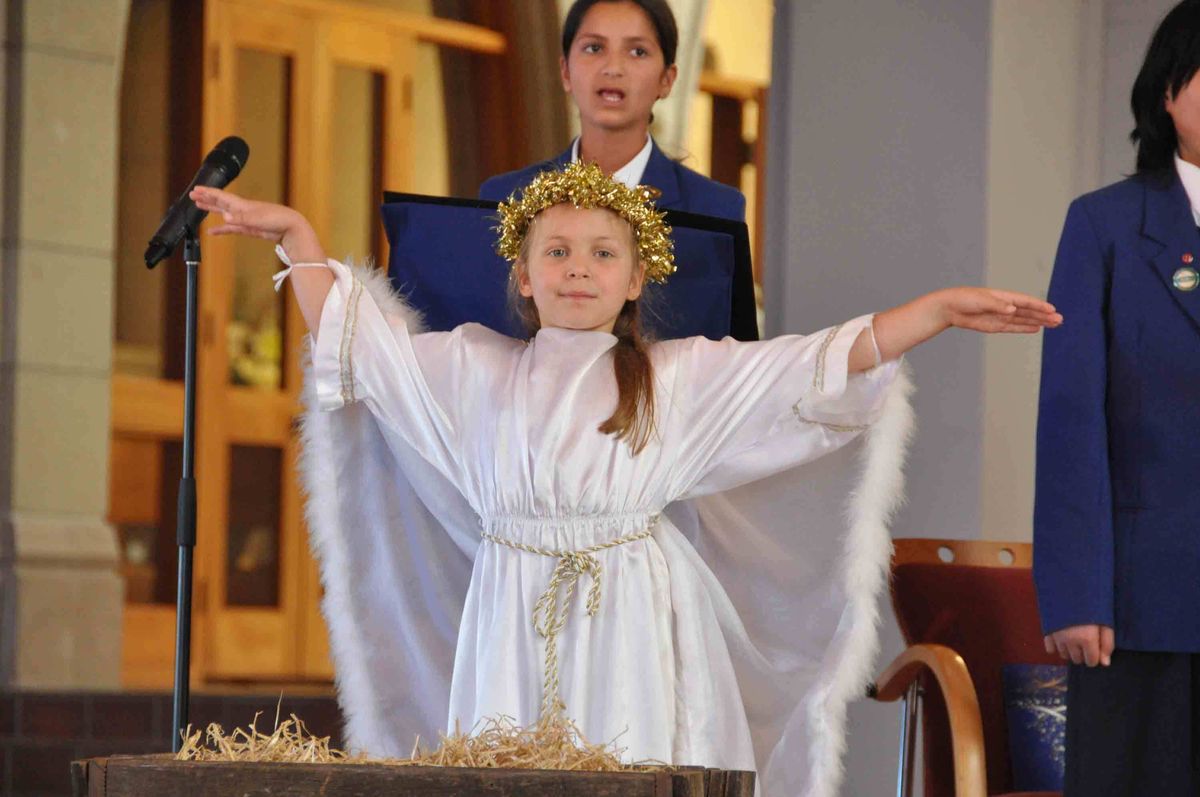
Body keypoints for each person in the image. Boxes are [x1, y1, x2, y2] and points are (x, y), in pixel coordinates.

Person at [190, 163, 1059, 796]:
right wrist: (299, 237)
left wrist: (935, 312)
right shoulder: (473, 371)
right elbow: (367, 351)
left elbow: (813, 365)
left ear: (636, 276)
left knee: (628, 757)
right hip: (510, 615)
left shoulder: (675, 380)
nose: (578, 268)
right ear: (523, 274)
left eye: (603, 253)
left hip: (631, 619)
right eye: (558, 250)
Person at [1034, 2, 1200, 794]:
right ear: (1167, 91)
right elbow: (1072, 421)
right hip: (1141, 609)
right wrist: (1076, 591)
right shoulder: (1103, 225)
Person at [479, 0, 744, 221]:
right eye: (594, 48)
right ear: (566, 72)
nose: (613, 68)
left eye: (637, 52)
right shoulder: (506, 198)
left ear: (667, 80)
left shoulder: (715, 209)